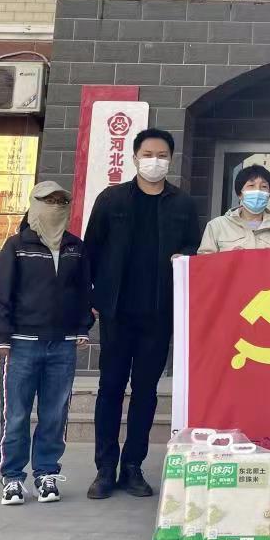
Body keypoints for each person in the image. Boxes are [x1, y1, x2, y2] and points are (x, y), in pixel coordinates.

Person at [84, 127, 200, 500]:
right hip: (117, 312)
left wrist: (185, 258)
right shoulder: (112, 199)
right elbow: (91, 251)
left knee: (146, 392)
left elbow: (194, 251)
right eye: (148, 154)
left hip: (159, 313)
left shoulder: (183, 205)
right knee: (110, 388)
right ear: (134, 157)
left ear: (171, 159)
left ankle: (133, 466)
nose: (155, 161)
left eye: (162, 155)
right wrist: (91, 298)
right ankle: (105, 468)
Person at [0, 181, 92, 506]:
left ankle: (46, 474)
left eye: (61, 201)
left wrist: (82, 328)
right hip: (22, 343)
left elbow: (83, 292)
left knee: (55, 414)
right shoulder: (17, 246)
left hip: (62, 344)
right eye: (48, 201)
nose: (55, 207)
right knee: (16, 414)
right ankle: (12, 478)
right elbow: (2, 292)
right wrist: (1, 336)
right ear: (34, 205)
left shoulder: (75, 247)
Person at [200, 164, 270, 253]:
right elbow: (205, 262)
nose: (258, 191)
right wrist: (229, 258)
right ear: (240, 194)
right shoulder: (216, 226)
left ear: (269, 195)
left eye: (264, 186)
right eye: (251, 185)